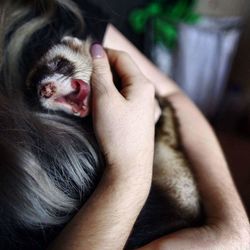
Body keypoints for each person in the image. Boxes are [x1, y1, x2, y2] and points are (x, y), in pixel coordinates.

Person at [48, 25, 250, 250]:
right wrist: (132, 169)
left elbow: (170, 95)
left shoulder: (62, 24)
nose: (48, 88)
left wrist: (236, 229)